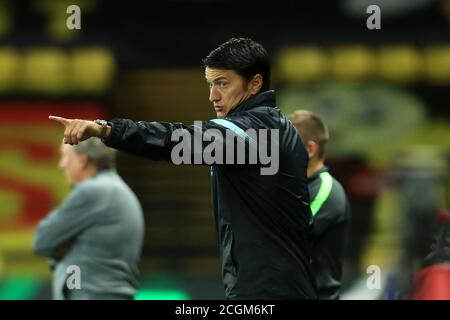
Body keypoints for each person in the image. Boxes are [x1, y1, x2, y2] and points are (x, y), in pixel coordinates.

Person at [48, 38, 317, 299]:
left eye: (222, 83)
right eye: (210, 84)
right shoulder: (276, 129)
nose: (213, 95)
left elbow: (174, 140)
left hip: (268, 290)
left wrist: (106, 129)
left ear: (255, 83)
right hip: (280, 284)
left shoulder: (252, 132)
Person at [32, 137, 145, 300]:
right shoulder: (117, 190)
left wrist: (64, 245)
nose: (61, 165)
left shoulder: (93, 192)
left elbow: (42, 239)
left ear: (82, 161)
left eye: (65, 157)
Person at [289, 110, 351, 299]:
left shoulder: (326, 190)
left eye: (285, 143)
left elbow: (284, 239)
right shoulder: (293, 186)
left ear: (309, 149)